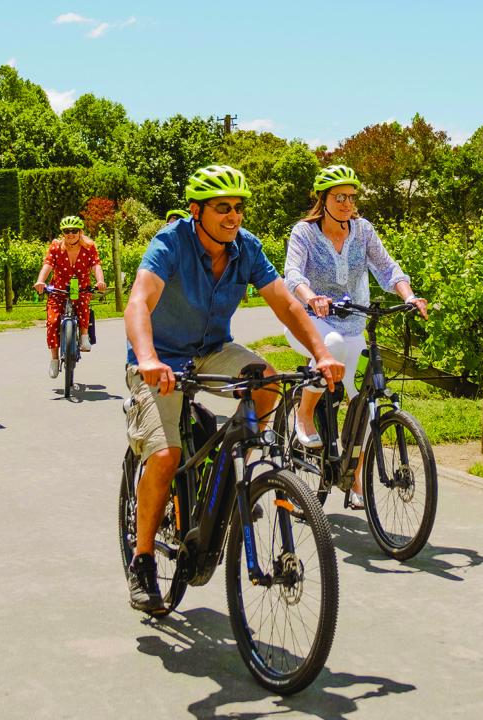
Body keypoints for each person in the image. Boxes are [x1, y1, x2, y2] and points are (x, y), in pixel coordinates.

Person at [123, 164, 345, 615]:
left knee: (268, 382)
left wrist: (321, 353)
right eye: (222, 208)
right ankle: (143, 559)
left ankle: (242, 471)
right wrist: (147, 358)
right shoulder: (170, 243)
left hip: (212, 349)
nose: (233, 216)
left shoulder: (246, 249)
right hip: (162, 358)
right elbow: (139, 301)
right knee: (164, 456)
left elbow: (285, 304)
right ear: (196, 211)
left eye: (239, 208)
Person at [282, 164, 428, 509]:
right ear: (324, 199)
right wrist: (310, 297)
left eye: (351, 197)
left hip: (352, 324)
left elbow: (387, 268)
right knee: (328, 348)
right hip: (308, 322)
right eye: (339, 197)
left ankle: (356, 477)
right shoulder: (304, 232)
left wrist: (408, 296)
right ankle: (303, 414)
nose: (347, 203)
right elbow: (292, 273)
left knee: (362, 401)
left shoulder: (363, 231)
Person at [33, 215, 107, 378]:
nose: (70, 234)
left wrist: (100, 280)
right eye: (67, 231)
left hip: (80, 287)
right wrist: (40, 281)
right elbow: (48, 265)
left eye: (74, 231)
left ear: (80, 232)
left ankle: (84, 336)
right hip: (59, 288)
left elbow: (96, 265)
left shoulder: (89, 247)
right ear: (63, 233)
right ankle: (54, 359)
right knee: (52, 322)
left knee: (83, 306)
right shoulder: (55, 247)